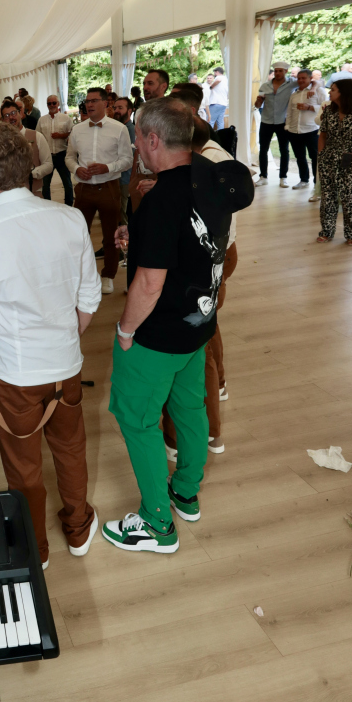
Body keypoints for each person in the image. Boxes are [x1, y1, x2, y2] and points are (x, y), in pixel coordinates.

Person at [104, 99, 252, 554]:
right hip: (197, 326)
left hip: (158, 334)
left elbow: (149, 284)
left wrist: (125, 330)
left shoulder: (160, 199)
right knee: (189, 408)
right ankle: (185, 491)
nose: (135, 147)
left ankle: (156, 524)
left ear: (153, 139)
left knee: (137, 419)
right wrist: (141, 238)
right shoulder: (212, 180)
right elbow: (188, 240)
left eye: (137, 138)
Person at [0, 123, 101, 567]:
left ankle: (35, 550)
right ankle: (78, 529)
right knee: (71, 450)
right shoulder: (69, 218)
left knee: (23, 467)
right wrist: (64, 335)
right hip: (65, 363)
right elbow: (90, 297)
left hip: (15, 373)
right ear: (29, 166)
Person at [161, 116, 239, 457]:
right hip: (208, 264)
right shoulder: (206, 169)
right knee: (203, 344)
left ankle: (183, 439)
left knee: (187, 354)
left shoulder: (204, 172)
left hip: (198, 270)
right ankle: (211, 429)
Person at [65, 87, 133, 295]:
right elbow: (69, 157)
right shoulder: (78, 130)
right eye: (87, 101)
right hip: (84, 189)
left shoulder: (118, 129)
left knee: (111, 235)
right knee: (78, 234)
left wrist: (108, 168)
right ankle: (82, 275)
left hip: (109, 187)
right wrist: (76, 169)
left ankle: (108, 275)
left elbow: (128, 160)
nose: (89, 104)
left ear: (106, 103)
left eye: (94, 100)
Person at [317, 78, 352, 246]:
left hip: (351, 157)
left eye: (333, 89)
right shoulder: (330, 110)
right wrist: (321, 155)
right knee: (327, 196)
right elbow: (323, 134)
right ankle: (326, 231)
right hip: (329, 157)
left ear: (343, 92)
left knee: (350, 197)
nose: (329, 92)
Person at [128, 70, 169, 211]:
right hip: (139, 174)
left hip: (162, 175)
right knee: (138, 219)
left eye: (150, 83)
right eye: (144, 83)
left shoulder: (172, 111)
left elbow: (176, 148)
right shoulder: (140, 111)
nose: (145, 87)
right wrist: (133, 178)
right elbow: (138, 145)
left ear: (163, 86)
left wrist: (164, 180)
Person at [254, 60, 294, 186]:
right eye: (276, 71)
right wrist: (259, 101)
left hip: (283, 121)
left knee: (284, 150)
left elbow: (311, 81)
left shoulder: (291, 84)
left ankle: (283, 177)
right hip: (266, 120)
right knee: (263, 149)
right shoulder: (265, 86)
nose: (277, 73)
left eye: (280, 71)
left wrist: (313, 88)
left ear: (286, 71)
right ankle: (263, 177)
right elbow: (257, 105)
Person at [0, 100, 52, 194]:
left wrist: (32, 173)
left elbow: (48, 164)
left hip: (33, 192)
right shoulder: (0, 141)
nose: (11, 117)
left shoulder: (37, 136)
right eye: (6, 116)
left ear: (20, 114)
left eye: (13, 113)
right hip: (10, 194)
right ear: (3, 120)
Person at [285, 69, 323, 189]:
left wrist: (310, 107)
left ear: (310, 78)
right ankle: (304, 180)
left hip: (312, 130)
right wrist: (287, 126)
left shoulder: (319, 91)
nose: (300, 80)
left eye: (303, 78)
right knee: (300, 157)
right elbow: (289, 112)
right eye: (299, 78)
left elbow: (326, 107)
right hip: (294, 130)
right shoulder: (294, 94)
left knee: (315, 157)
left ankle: (317, 184)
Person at [39, 94, 74, 206]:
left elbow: (72, 133)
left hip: (62, 154)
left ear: (58, 104)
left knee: (67, 183)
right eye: (49, 103)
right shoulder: (42, 120)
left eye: (54, 103)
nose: (52, 105)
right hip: (47, 156)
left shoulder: (66, 118)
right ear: (47, 105)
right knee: (45, 184)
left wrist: (61, 135)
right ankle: (47, 206)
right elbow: (38, 136)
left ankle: (69, 206)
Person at [113, 96, 136, 225]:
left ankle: (124, 237)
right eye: (115, 107)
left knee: (122, 213)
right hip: (117, 176)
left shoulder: (129, 129)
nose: (116, 110)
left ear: (129, 111)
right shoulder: (119, 127)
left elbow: (128, 156)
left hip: (124, 178)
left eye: (120, 108)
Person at [207, 66, 228, 130]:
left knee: (210, 120)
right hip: (223, 103)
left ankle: (209, 134)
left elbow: (218, 80)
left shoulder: (219, 77)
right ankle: (221, 135)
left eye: (215, 72)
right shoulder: (226, 79)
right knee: (220, 122)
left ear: (217, 72)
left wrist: (211, 87)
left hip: (216, 102)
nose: (214, 74)